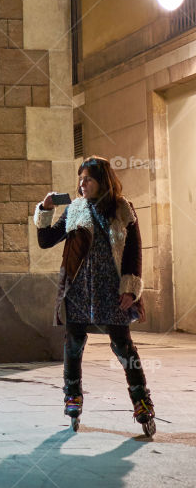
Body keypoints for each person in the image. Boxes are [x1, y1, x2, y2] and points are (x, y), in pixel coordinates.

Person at [35, 155, 156, 435]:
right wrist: (45, 208)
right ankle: (73, 396)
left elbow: (134, 251)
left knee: (123, 347)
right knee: (73, 345)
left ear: (101, 180)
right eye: (80, 179)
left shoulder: (122, 208)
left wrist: (130, 289)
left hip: (111, 291)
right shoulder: (75, 209)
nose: (82, 185)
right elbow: (46, 241)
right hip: (79, 290)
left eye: (87, 179)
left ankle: (142, 402)